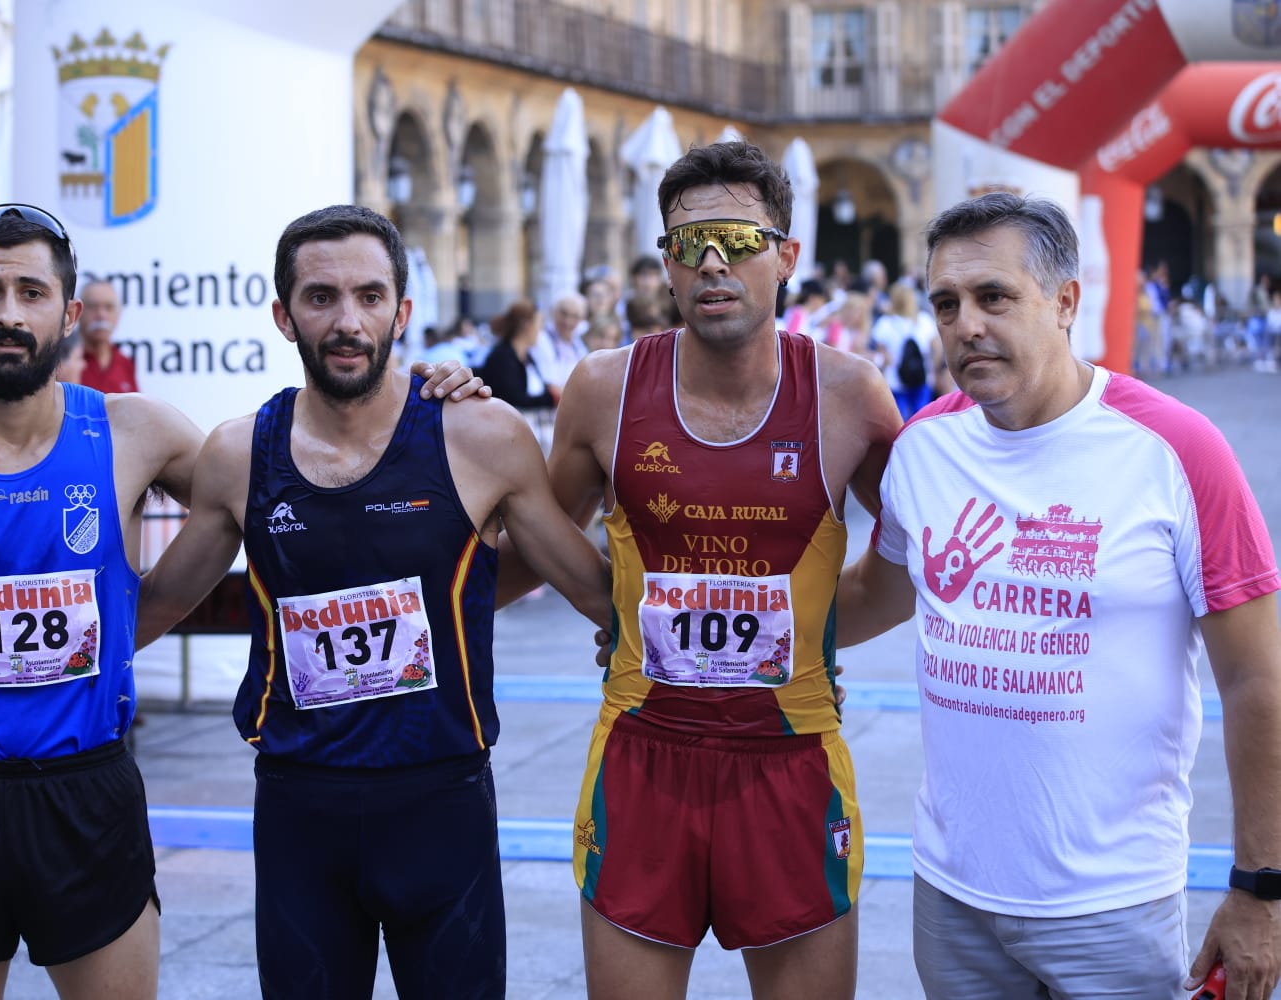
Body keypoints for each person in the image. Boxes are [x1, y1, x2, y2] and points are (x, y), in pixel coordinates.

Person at [0, 204, 481, 1000]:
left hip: (90, 790)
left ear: (69, 313)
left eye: (32, 292)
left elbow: (305, 485)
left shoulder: (138, 433)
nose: (10, 313)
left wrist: (416, 399)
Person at [133, 204, 613, 1000]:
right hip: (299, 809)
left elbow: (593, 589)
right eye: (321, 298)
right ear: (284, 316)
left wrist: (776, 666)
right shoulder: (236, 454)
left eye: (368, 296)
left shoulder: (478, 434)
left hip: (441, 802)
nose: (347, 321)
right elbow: (151, 611)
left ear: (403, 311)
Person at [837, 192, 1281, 1000]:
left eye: (993, 296)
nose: (965, 323)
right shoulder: (924, 447)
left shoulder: (1177, 450)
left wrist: (1262, 888)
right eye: (946, 303)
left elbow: (1258, 681)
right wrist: (706, 630)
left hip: (1114, 904)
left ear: (1066, 302)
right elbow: (879, 593)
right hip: (951, 895)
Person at [502, 140, 900, 998]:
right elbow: (523, 546)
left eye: (740, 240)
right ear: (666, 266)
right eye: (689, 243)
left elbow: (907, 566)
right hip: (644, 761)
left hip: (790, 765)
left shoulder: (850, 395)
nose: (714, 262)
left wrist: (808, 641)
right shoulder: (604, 389)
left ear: (787, 256)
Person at [870, 280, 935, 420]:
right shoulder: (924, 321)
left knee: (899, 421)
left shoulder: (885, 323)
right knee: (923, 419)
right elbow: (936, 349)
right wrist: (932, 368)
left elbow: (883, 355)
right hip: (922, 376)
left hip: (895, 379)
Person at [481, 299, 558, 410]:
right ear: (526, 325)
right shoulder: (503, 357)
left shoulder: (527, 357)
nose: (540, 331)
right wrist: (552, 398)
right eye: (539, 325)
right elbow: (513, 400)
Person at [78, 279, 139, 393]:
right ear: (77, 311)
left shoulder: (125, 363)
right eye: (93, 306)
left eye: (109, 307)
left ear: (119, 314)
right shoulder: (63, 361)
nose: (101, 315)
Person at [530, 292, 589, 393]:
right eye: (564, 313)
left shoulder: (578, 344)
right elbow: (550, 384)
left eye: (575, 316)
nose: (568, 321)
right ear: (553, 312)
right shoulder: (542, 340)